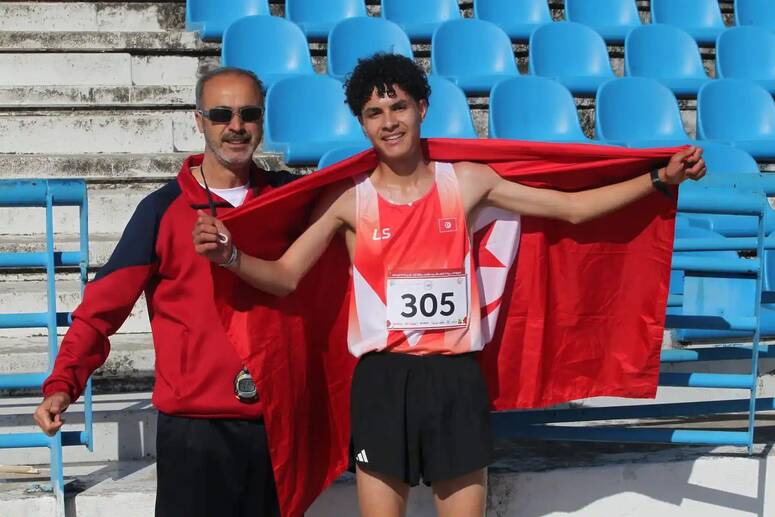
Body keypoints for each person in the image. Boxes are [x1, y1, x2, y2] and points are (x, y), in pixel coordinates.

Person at [193, 53, 705, 517]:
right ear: (362, 123)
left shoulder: (466, 182)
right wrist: (230, 256)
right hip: (383, 382)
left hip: (454, 379)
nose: (389, 122)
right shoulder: (348, 200)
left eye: (399, 107)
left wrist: (659, 180)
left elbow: (571, 209)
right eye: (374, 113)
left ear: (422, 108)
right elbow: (285, 277)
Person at [34, 67, 294, 517]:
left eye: (249, 113)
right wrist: (62, 385)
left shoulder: (290, 199)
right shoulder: (160, 210)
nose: (236, 126)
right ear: (199, 120)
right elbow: (101, 309)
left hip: (278, 427)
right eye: (221, 114)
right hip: (194, 433)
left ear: (263, 118)